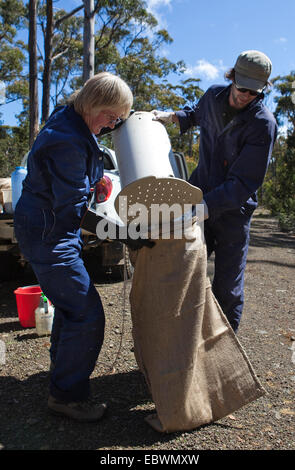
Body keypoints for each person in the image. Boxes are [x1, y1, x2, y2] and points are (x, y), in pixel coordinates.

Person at [14, 72, 134, 421]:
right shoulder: (66, 139)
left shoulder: (72, 122)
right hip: (50, 235)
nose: (112, 124)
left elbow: (74, 186)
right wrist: (122, 233)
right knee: (87, 314)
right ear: (94, 104)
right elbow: (71, 208)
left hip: (48, 229)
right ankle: (67, 395)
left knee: (70, 308)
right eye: (111, 117)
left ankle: (61, 381)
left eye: (118, 120)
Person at [152, 50, 278, 333]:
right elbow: (197, 115)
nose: (246, 95)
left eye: (254, 92)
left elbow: (243, 183)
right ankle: (179, 340)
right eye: (242, 87)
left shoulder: (263, 124)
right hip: (199, 195)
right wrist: (170, 117)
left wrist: (201, 209)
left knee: (228, 286)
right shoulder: (212, 96)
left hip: (234, 211)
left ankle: (223, 349)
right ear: (232, 77)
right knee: (183, 271)